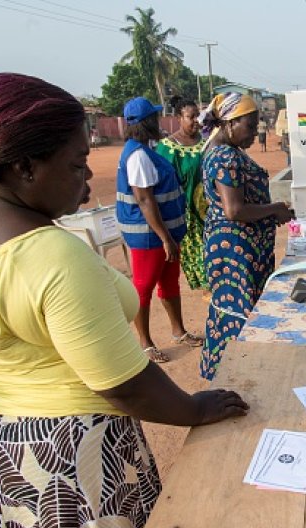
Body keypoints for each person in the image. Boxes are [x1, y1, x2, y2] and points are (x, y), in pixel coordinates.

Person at [0, 72, 249, 528]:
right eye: (76, 164)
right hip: (62, 458)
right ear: (23, 167)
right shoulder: (53, 255)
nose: (88, 179)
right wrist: (195, 407)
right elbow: (123, 385)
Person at [198, 92, 293, 380]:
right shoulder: (225, 155)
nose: (254, 133)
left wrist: (268, 214)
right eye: (249, 127)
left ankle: (230, 371)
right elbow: (234, 209)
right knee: (238, 309)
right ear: (229, 123)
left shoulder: (224, 150)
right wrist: (273, 208)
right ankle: (234, 373)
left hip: (238, 246)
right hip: (235, 249)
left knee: (236, 307)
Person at [117, 96, 201, 364]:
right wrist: (165, 238)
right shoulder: (138, 155)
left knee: (169, 283)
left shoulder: (145, 150)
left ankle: (178, 331)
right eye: (154, 117)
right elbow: (145, 199)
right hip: (149, 236)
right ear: (146, 123)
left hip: (163, 235)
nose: (158, 121)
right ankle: (144, 343)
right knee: (143, 288)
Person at [155, 96, 207, 292]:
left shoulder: (206, 142)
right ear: (178, 118)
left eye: (197, 116)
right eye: (190, 116)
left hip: (208, 213)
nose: (195, 120)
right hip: (186, 217)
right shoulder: (168, 148)